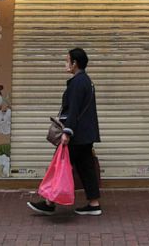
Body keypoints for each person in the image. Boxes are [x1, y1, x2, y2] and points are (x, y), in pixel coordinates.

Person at [29, 47, 102, 217]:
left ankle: (49, 202)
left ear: (74, 63)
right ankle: (94, 203)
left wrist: (67, 132)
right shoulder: (86, 81)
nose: (65, 63)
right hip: (85, 134)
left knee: (59, 164)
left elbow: (74, 110)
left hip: (76, 135)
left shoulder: (77, 82)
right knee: (86, 168)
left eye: (67, 60)